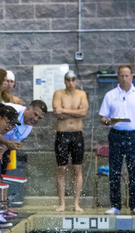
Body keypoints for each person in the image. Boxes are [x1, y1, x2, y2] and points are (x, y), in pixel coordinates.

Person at [0, 100, 46, 219]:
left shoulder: (27, 128)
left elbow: (10, 138)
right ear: (27, 108)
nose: (36, 119)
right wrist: (1, 145)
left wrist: (0, 152)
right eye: (35, 114)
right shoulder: (12, 111)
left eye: (39, 118)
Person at [99, 64, 135, 216]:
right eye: (121, 75)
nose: (124, 78)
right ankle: (115, 205)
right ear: (118, 77)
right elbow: (102, 118)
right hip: (116, 135)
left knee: (134, 171)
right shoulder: (110, 95)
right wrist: (109, 121)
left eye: (127, 75)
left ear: (132, 76)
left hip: (134, 135)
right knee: (115, 171)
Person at [52, 70, 88, 213]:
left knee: (77, 169)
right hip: (62, 135)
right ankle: (62, 203)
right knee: (62, 169)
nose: (71, 82)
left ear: (76, 81)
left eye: (73, 79)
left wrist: (64, 111)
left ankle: (76, 203)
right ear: (65, 81)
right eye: (68, 80)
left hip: (77, 135)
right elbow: (56, 112)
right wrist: (75, 112)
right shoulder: (58, 94)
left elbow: (83, 113)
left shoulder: (82, 94)